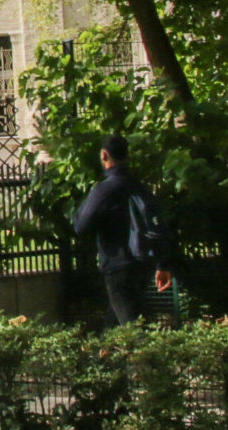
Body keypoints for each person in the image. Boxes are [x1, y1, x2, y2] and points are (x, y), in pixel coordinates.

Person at [72, 134, 172, 327]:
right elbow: (158, 224)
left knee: (132, 331)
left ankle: (147, 358)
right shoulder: (139, 186)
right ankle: (106, 355)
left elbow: (81, 227)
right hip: (143, 263)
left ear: (103, 155)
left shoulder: (105, 190)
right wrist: (163, 264)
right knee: (114, 326)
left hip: (117, 266)